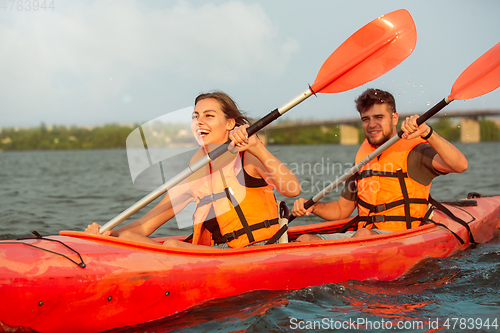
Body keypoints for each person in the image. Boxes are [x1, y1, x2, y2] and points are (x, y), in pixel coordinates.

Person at [85, 91, 301, 248]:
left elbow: (293, 189)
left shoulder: (248, 157)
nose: (199, 122)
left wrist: (257, 147)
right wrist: (105, 235)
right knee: (128, 238)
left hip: (259, 249)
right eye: (195, 116)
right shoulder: (196, 171)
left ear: (229, 124)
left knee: (172, 245)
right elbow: (144, 224)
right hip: (217, 255)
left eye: (208, 115)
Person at [292, 88, 468, 241]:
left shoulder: (415, 152)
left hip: (403, 237)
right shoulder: (363, 158)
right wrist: (314, 207)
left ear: (394, 118)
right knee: (304, 239)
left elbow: (460, 165)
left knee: (362, 235)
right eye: (365, 119)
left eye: (379, 117)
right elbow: (341, 211)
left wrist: (428, 133)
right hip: (365, 237)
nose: (371, 124)